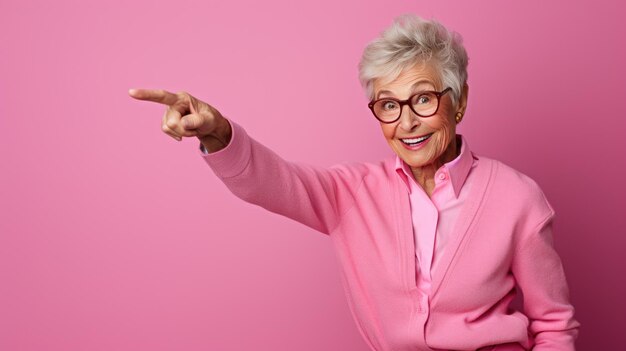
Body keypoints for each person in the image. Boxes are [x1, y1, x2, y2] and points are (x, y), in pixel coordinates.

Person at [129, 14, 579, 351]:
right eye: (388, 105)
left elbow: (554, 325)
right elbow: (268, 181)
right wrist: (216, 130)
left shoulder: (518, 197)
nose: (406, 122)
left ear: (457, 104)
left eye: (422, 99)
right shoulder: (352, 193)